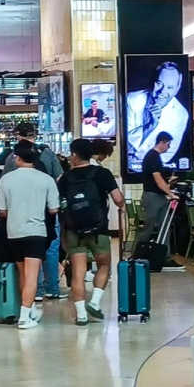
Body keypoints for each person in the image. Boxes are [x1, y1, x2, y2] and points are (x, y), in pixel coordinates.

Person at [59, 138, 125, 325]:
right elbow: (117, 198)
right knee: (104, 265)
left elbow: (58, 204)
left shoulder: (66, 177)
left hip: (74, 231)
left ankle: (81, 315)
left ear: (74, 155)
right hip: (99, 230)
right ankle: (95, 302)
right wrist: (121, 205)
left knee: (78, 272)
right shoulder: (102, 173)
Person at [0, 140, 60, 330]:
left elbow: (2, 211)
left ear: (18, 157)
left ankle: (28, 310)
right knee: (32, 275)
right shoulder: (46, 179)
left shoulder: (6, 180)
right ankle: (24, 317)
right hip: (36, 232)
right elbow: (54, 209)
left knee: (23, 273)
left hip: (14, 232)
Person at [125, 61, 189, 169]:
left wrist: (140, 161)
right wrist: (150, 126)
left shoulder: (181, 114)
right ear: (153, 82)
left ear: (177, 89)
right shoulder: (132, 99)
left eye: (169, 87)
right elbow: (125, 142)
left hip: (152, 168)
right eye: (159, 84)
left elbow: (167, 154)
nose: (162, 92)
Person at [132, 132, 182, 270]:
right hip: (153, 197)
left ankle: (164, 256)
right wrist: (170, 193)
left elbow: (160, 180)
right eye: (168, 144)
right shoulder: (152, 157)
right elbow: (157, 179)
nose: (169, 147)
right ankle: (137, 256)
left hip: (158, 197)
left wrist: (168, 186)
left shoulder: (155, 157)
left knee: (164, 227)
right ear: (162, 142)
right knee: (148, 228)